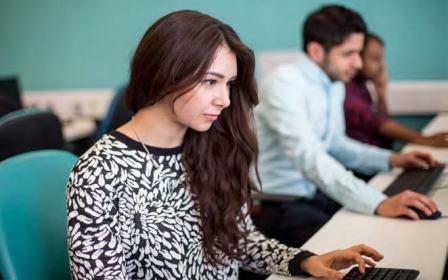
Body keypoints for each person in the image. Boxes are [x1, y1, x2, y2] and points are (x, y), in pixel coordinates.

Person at [66, 10, 383, 280]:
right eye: (210, 81)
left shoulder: (213, 144)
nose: (225, 99)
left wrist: (303, 261)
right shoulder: (98, 172)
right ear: (165, 73)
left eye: (229, 84)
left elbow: (240, 242)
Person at [254, 5, 440, 248]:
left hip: (315, 194)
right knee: (364, 247)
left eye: (359, 52)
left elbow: (335, 144)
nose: (358, 63)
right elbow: (308, 156)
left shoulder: (333, 83)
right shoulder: (284, 83)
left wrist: (392, 159)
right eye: (349, 53)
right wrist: (377, 202)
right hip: (279, 205)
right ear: (316, 51)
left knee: (389, 234)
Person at [344, 33, 448, 148]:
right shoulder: (347, 90)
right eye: (375, 59)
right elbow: (379, 124)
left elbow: (381, 120)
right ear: (358, 58)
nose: (382, 66)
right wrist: (426, 140)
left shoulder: (362, 85)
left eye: (381, 59)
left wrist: (381, 95)